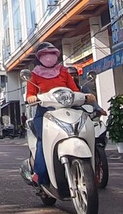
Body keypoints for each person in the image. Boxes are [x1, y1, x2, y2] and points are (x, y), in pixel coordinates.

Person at [25, 42, 96, 185]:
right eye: (45, 54)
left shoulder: (63, 71)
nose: (49, 57)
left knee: (84, 130)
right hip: (45, 112)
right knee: (42, 139)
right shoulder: (34, 75)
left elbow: (74, 89)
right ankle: (40, 173)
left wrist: (84, 96)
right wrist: (32, 97)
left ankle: (91, 170)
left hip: (68, 109)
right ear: (39, 57)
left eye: (52, 53)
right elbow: (30, 94)